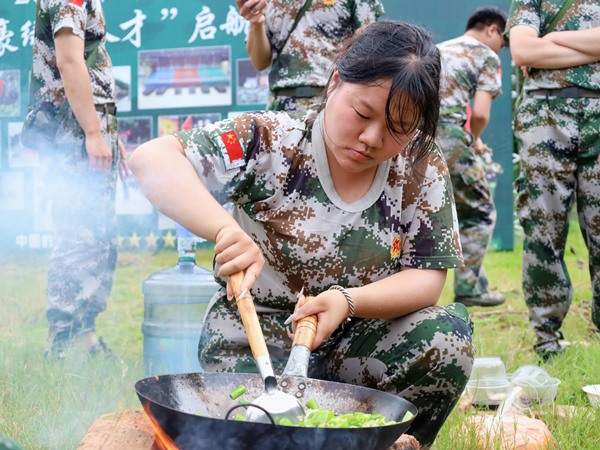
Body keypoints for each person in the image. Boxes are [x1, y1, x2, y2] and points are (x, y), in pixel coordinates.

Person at [130, 20, 474, 448]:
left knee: (445, 337)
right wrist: (223, 229)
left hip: (356, 342)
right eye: (362, 114)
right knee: (251, 425)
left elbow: (427, 279)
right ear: (334, 82)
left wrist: (348, 302)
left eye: (397, 128)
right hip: (257, 347)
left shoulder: (420, 163)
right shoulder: (271, 139)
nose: (371, 139)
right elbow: (152, 159)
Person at [24, 0, 126, 359]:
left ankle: (84, 333)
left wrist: (107, 133)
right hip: (75, 123)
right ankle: (63, 339)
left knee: (98, 234)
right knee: (78, 233)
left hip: (89, 120)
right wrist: (93, 132)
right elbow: (69, 61)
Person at [507, 1, 600, 359]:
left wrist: (555, 39)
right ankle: (546, 339)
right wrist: (588, 45)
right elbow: (523, 49)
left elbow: (537, 48)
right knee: (543, 231)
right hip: (543, 115)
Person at [435, 7, 508, 307]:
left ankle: (478, 281)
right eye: (503, 41)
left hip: (414, 137)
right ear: (492, 29)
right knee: (479, 212)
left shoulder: (437, 50)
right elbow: (479, 113)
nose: (501, 49)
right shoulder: (486, 56)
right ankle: (469, 289)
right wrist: (474, 140)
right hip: (450, 136)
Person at [235, 0, 384, 112]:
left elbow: (368, 44)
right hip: (279, 104)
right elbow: (260, 63)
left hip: (329, 99)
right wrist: (256, 23)